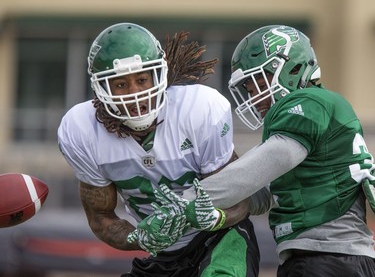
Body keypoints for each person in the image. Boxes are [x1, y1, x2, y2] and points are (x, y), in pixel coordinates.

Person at [145, 25, 375, 277]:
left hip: (329, 256)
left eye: (257, 83)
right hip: (325, 256)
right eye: (250, 90)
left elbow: (259, 169)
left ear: (291, 68)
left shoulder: (311, 102)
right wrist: (216, 214)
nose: (254, 97)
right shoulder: (311, 118)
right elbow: (262, 192)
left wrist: (183, 204)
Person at [57, 22, 260, 277]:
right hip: (162, 255)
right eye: (120, 85)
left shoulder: (198, 109)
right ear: (101, 88)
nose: (135, 94)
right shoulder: (81, 130)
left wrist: (215, 218)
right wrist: (139, 237)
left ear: (158, 76)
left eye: (141, 80)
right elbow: (100, 217)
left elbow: (239, 200)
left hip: (219, 240)